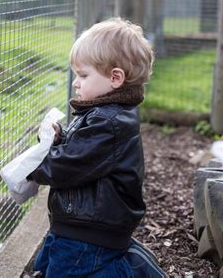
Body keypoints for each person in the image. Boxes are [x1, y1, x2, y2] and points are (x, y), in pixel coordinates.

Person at [26, 17, 165, 277]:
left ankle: (130, 270)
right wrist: (58, 141)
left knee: (69, 269)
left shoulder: (108, 121)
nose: (75, 83)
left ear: (115, 78)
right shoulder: (105, 114)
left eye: (83, 75)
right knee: (50, 264)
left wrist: (34, 164)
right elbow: (83, 156)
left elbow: (68, 166)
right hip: (85, 226)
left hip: (88, 233)